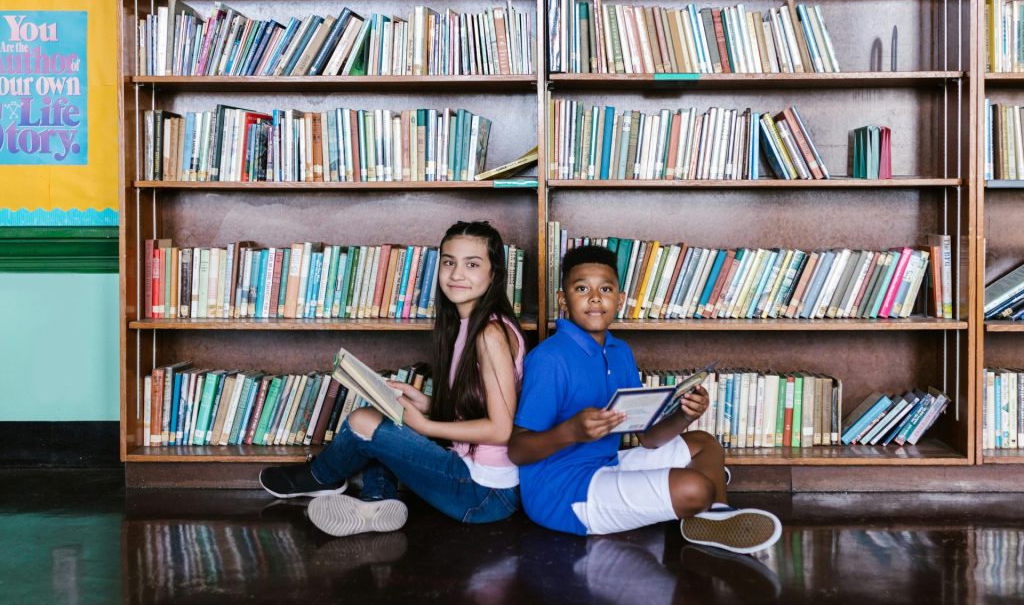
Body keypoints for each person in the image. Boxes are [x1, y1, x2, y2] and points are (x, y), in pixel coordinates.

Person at [507, 244, 781, 553]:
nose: (595, 298)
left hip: (607, 464)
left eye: (606, 289)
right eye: (582, 288)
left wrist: (684, 415)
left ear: (620, 300)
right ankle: (702, 500)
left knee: (706, 444)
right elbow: (517, 450)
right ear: (563, 299)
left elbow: (649, 438)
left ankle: (715, 517)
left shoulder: (619, 351)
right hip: (561, 492)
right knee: (695, 487)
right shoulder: (549, 358)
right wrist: (570, 431)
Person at [259, 221, 525, 537]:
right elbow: (478, 406)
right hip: (476, 480)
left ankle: (322, 477)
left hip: (482, 493)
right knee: (386, 415)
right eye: (449, 262)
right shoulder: (471, 325)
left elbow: (500, 429)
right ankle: (376, 500)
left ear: (494, 275)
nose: (456, 274)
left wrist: (425, 425)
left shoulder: (489, 333)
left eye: (472, 264)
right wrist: (426, 403)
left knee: (361, 421)